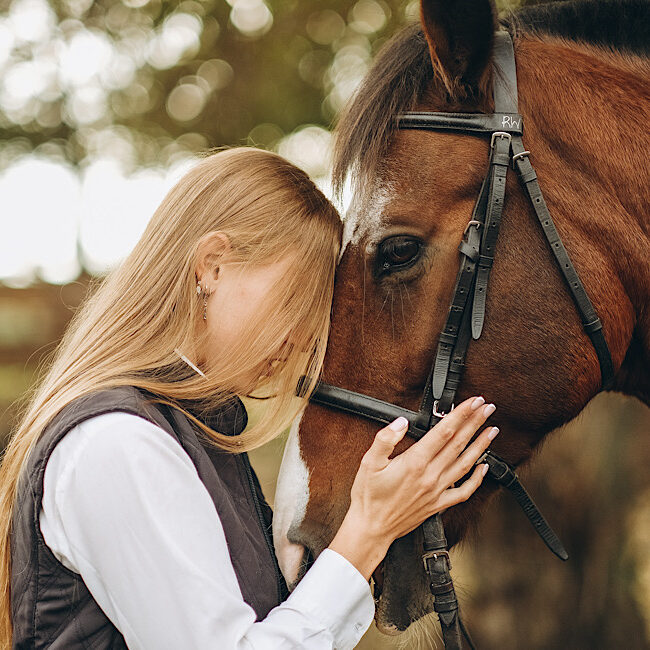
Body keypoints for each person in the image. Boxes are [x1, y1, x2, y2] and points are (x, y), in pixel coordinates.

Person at [0, 147, 497, 649]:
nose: (304, 339)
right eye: (293, 301)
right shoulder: (119, 444)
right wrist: (368, 531)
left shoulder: (189, 435)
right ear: (213, 266)